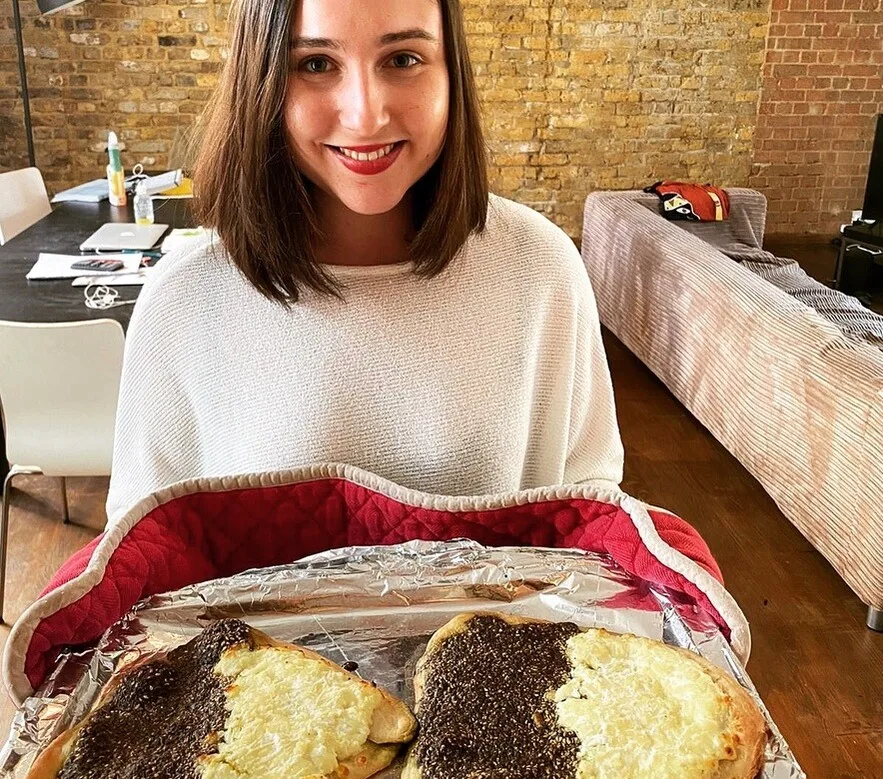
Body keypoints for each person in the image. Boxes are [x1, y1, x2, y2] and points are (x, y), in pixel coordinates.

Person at [105, 0, 624, 525]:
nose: (365, 114)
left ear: (452, 74)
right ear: (260, 82)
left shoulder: (540, 269)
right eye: (315, 64)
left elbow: (589, 512)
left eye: (402, 60)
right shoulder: (184, 298)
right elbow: (143, 546)